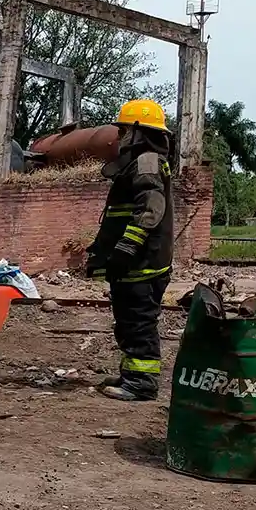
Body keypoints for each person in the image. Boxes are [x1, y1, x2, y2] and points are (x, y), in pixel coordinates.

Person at [86, 99, 175, 402]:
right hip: (136, 264)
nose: (120, 137)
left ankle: (141, 383)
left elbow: (151, 208)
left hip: (142, 264)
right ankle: (131, 374)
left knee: (138, 324)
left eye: (124, 131)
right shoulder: (139, 162)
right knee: (128, 323)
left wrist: (126, 248)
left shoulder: (147, 162)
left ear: (138, 131)